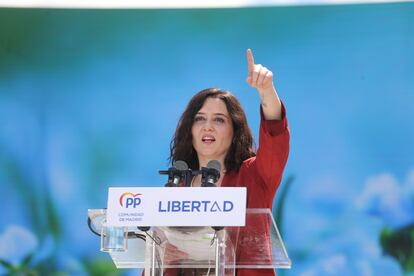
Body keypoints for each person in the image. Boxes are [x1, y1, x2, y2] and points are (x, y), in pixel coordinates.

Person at [167, 49, 290, 276]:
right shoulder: (177, 186)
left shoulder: (253, 176)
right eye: (200, 119)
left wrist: (266, 91)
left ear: (235, 131)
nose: (208, 126)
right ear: (190, 130)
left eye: (219, 120)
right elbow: (160, 254)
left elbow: (276, 137)